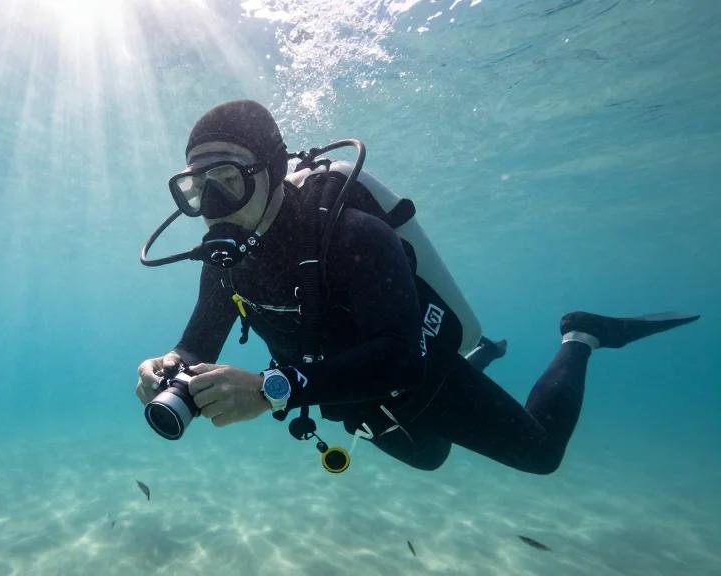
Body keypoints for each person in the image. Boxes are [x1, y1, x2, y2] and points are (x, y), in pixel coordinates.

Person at [135, 100, 699, 474]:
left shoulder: (352, 234)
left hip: (414, 373)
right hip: (338, 392)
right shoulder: (226, 261)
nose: (211, 208)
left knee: (542, 454)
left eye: (227, 182)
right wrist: (170, 363)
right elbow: (197, 344)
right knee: (430, 457)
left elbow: (399, 360)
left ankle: (581, 336)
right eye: (195, 190)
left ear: (273, 171)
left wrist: (269, 390)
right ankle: (483, 360)